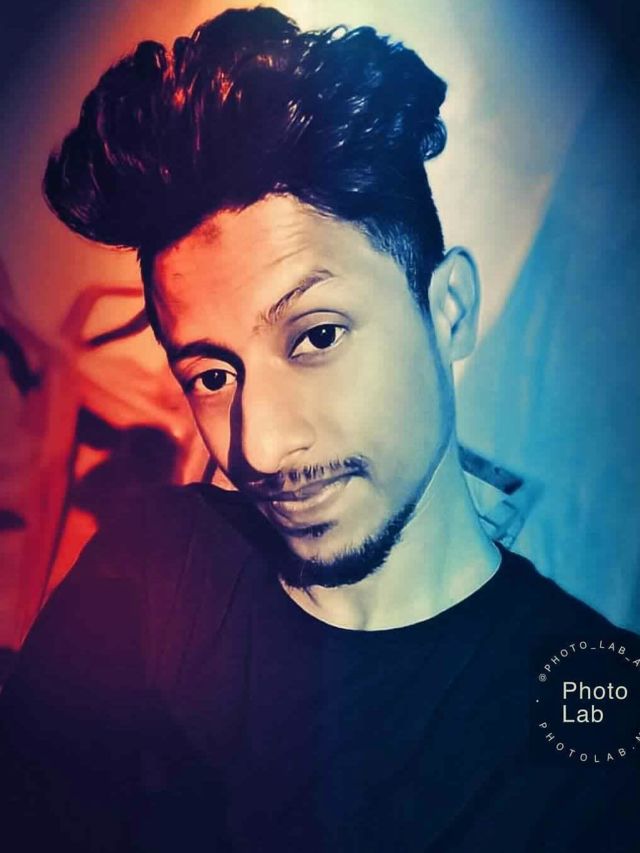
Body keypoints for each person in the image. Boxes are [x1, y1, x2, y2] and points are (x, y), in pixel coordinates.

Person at [0, 7, 638, 852]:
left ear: (448, 310)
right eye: (212, 375)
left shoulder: (594, 719)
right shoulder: (147, 572)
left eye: (317, 336)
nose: (260, 447)